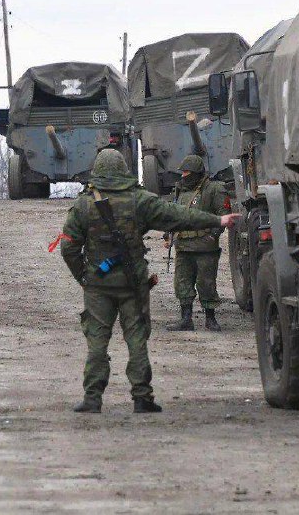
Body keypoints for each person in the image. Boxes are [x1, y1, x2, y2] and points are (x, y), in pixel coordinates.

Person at [60, 149, 240, 414]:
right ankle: (142, 397)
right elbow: (178, 215)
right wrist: (217, 219)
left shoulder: (83, 205)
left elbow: (69, 248)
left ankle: (92, 398)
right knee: (136, 339)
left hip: (98, 284)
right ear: (123, 169)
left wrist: (84, 278)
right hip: (133, 283)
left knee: (97, 340)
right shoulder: (140, 200)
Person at [165, 155, 230, 332]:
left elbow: (223, 215)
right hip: (183, 246)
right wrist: (168, 233)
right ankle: (186, 319)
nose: (183, 175)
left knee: (206, 283)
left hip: (205, 247)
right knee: (182, 283)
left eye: (187, 172)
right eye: (183, 172)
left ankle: (210, 318)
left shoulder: (213, 189)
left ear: (196, 173)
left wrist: (213, 235)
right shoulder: (180, 190)